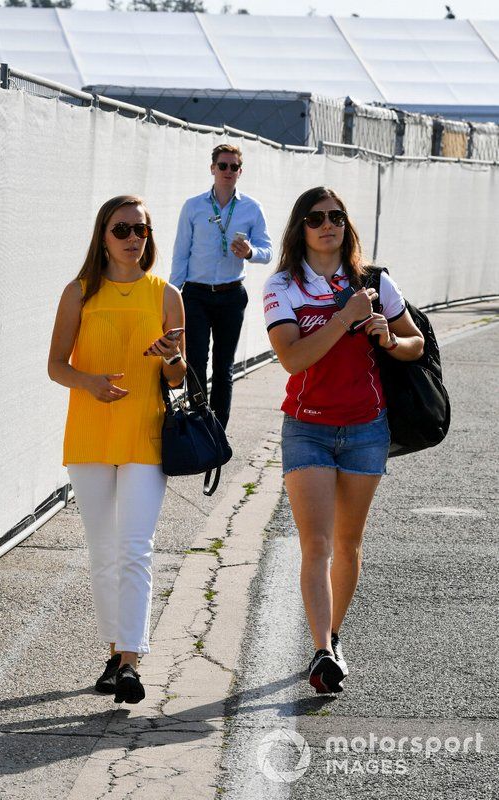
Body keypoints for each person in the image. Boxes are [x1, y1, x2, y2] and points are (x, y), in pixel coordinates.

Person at [263, 187, 424, 694]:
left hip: (366, 429)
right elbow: (293, 358)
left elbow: (416, 344)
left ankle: (332, 636)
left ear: (346, 225)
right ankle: (322, 651)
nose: (327, 225)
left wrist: (388, 338)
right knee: (316, 543)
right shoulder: (282, 285)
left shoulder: (374, 281)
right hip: (306, 427)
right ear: (300, 228)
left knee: (348, 544)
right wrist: (345, 317)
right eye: (315, 218)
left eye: (335, 216)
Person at [48, 195, 186, 704]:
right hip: (89, 434)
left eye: (140, 230)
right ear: (103, 237)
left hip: (144, 434)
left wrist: (172, 357)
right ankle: (114, 652)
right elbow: (56, 365)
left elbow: (178, 377)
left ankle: (130, 661)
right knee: (103, 551)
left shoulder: (166, 294)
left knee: (135, 548)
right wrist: (89, 382)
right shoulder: (79, 292)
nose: (133, 239)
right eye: (122, 229)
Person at [169, 143, 272, 429]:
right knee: (196, 361)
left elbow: (267, 251)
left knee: (224, 367)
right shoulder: (193, 206)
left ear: (240, 171)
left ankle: (218, 431)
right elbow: (181, 253)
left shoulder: (251, 207)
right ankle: (199, 425)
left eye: (234, 167)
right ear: (212, 168)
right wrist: (172, 294)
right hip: (196, 294)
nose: (228, 171)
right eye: (223, 166)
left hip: (231, 294)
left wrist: (250, 252)